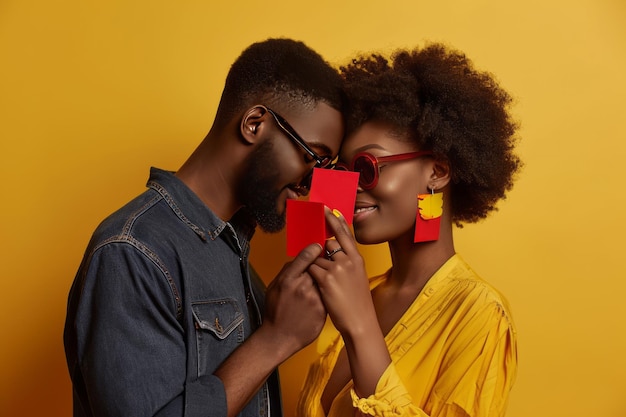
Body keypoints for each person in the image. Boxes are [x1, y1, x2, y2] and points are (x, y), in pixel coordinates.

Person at [63, 38, 345, 417]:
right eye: (313, 156)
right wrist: (275, 339)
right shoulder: (131, 252)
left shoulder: (234, 255)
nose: (310, 183)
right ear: (254, 124)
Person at [298, 43, 521, 417]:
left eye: (367, 167)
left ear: (438, 171)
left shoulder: (480, 314)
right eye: (344, 172)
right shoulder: (357, 290)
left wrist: (360, 326)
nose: (352, 188)